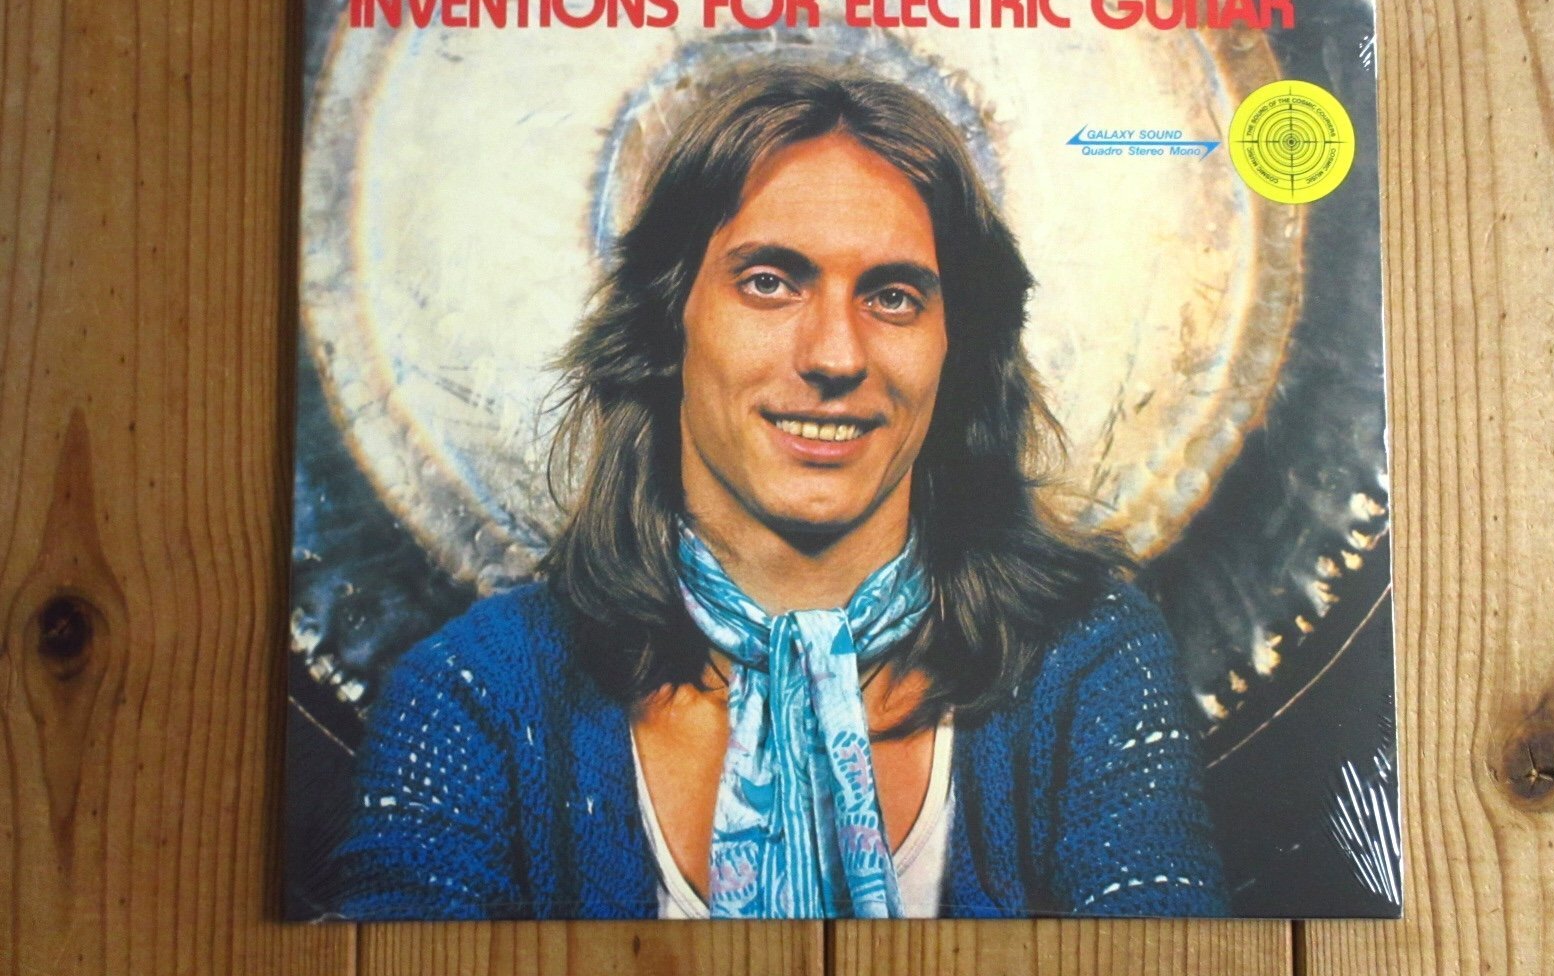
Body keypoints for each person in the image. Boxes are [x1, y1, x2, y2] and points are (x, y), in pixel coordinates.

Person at [335, 64, 1227, 919]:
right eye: (769, 282)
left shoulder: (1089, 663)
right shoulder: (476, 696)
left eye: (893, 296)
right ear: (667, 323)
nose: (835, 355)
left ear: (957, 349)